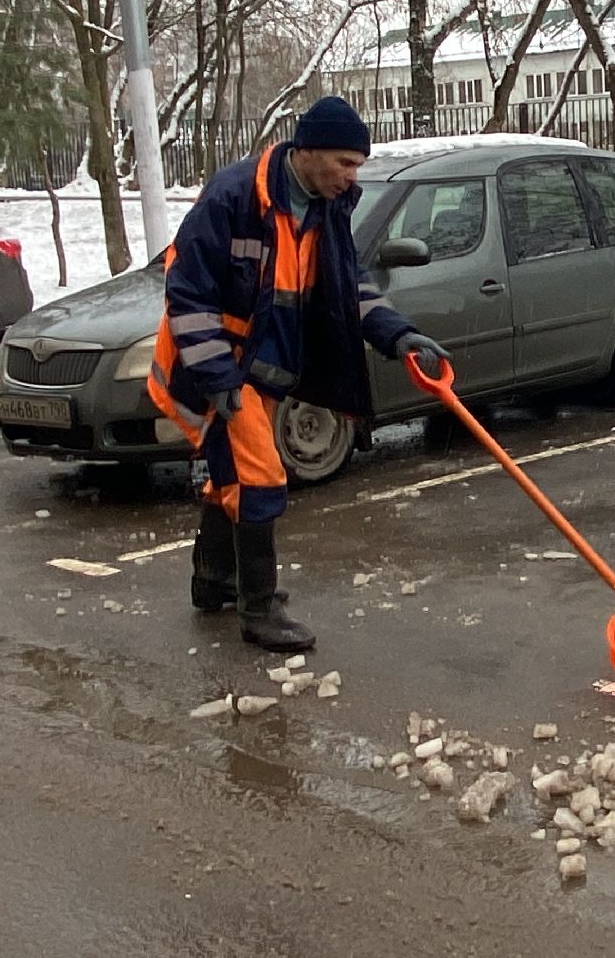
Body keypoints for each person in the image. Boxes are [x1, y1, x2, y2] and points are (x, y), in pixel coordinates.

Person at [147, 96, 449, 652]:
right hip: (215, 366)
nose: (351, 176)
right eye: (344, 163)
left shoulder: (327, 207)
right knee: (260, 477)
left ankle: (214, 581)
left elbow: (345, 287)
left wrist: (396, 333)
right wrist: (216, 377)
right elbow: (187, 291)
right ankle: (258, 611)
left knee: (231, 477)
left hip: (263, 369)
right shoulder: (235, 197)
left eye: (358, 165)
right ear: (306, 151)